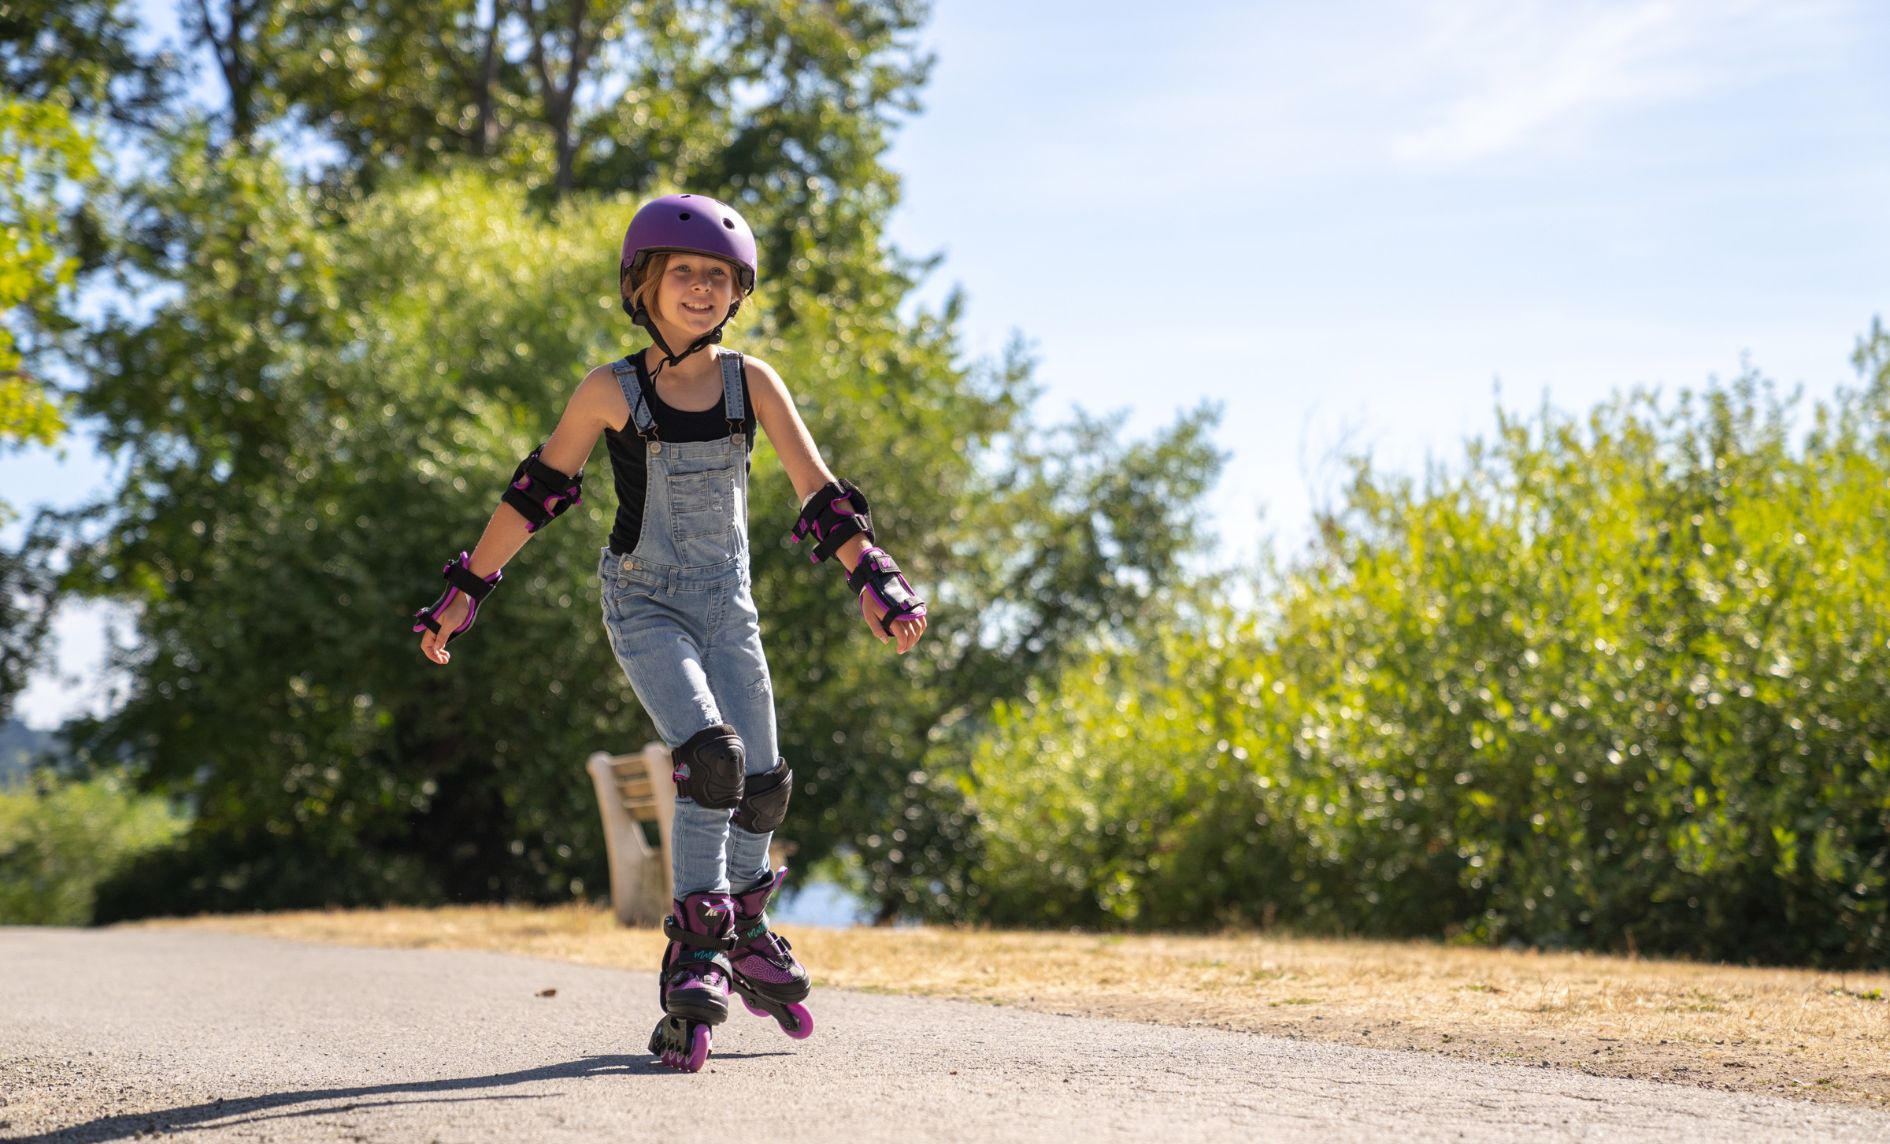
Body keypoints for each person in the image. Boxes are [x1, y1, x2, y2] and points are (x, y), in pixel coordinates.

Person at [410, 193, 928, 1073]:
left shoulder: (751, 382)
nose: (700, 287)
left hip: (729, 605)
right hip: (644, 601)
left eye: (718, 277)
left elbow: (819, 491)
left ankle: (751, 926)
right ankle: (699, 941)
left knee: (763, 782)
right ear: (641, 284)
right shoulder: (609, 391)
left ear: (737, 294)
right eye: (683, 272)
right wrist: (468, 589)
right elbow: (536, 492)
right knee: (711, 758)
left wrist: (872, 577)